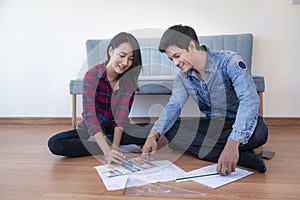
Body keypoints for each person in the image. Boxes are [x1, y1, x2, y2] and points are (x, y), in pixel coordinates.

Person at [141, 25, 268, 175]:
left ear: (191, 46)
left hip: (242, 122)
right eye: (171, 59)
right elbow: (173, 107)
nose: (175, 63)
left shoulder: (230, 62)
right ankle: (243, 157)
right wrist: (153, 135)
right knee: (173, 131)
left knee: (260, 133)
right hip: (215, 126)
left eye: (177, 56)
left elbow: (249, 100)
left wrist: (233, 143)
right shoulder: (183, 78)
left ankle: (230, 149)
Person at [48, 32, 150, 165]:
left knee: (150, 131)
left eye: (131, 58)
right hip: (91, 130)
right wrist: (107, 151)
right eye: (122, 55)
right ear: (111, 50)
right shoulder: (92, 76)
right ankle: (103, 147)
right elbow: (90, 117)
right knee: (55, 143)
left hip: (112, 131)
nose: (126, 63)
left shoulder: (128, 81)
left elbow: (121, 119)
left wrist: (114, 148)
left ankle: (112, 146)